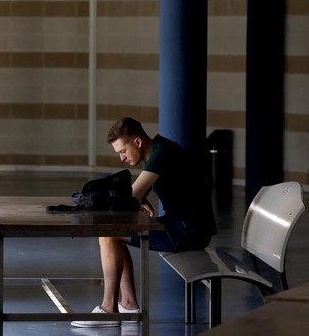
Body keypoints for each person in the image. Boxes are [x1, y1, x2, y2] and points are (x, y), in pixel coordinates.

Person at [71, 117, 217, 328]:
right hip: (183, 226)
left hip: (189, 231)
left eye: (123, 151)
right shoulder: (157, 151)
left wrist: (136, 199)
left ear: (137, 142)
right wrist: (139, 199)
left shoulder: (162, 154)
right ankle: (128, 305)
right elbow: (136, 196)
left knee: (108, 235)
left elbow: (131, 196)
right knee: (113, 235)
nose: (122, 158)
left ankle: (109, 309)